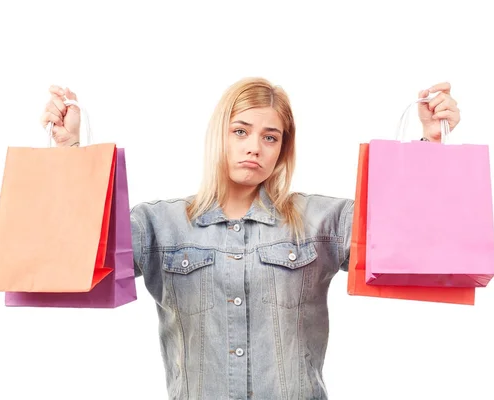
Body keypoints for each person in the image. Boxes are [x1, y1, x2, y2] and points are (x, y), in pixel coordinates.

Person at [40, 77, 460, 399]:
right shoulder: (157, 225)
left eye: (270, 137)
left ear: (282, 149)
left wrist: (430, 146)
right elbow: (75, 257)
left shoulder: (323, 221)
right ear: (218, 135)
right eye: (240, 131)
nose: (254, 147)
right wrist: (70, 150)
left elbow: (407, 240)